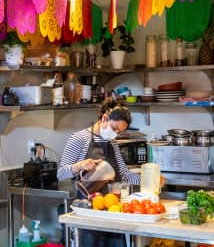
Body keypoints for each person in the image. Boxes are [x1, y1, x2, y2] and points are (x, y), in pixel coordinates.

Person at [57, 98, 162, 247]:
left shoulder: (112, 142)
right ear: (105, 118)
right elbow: (61, 173)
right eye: (114, 129)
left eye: (119, 132)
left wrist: (151, 180)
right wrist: (79, 165)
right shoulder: (79, 139)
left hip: (113, 209)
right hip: (89, 211)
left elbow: (125, 175)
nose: (115, 134)